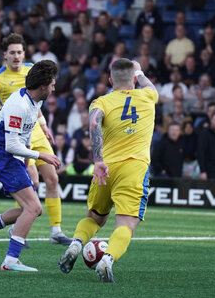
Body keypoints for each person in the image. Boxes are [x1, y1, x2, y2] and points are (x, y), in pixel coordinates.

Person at [58, 59, 158, 283]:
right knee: (126, 224)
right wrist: (139, 71)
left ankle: (76, 244)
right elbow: (149, 85)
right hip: (134, 168)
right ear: (134, 80)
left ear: (110, 81)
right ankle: (107, 260)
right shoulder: (148, 96)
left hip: (105, 168)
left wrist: (98, 161)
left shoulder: (100, 101)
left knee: (94, 218)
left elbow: (94, 124)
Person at [0, 60, 61, 271]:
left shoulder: (35, 101)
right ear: (43, 86)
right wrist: (41, 156)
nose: (54, 88)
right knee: (33, 207)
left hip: (14, 160)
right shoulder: (18, 105)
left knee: (31, 209)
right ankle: (10, 260)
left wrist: (27, 162)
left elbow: (25, 134)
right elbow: (10, 145)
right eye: (52, 84)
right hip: (4, 159)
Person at [0, 33, 72, 244]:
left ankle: (56, 231)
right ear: (4, 55)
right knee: (31, 182)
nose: (16, 56)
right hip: (16, 136)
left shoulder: (32, 70)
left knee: (53, 179)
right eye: (12, 52)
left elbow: (36, 102)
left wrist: (44, 125)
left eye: (19, 52)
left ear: (24, 53)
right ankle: (16, 229)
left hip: (35, 132)